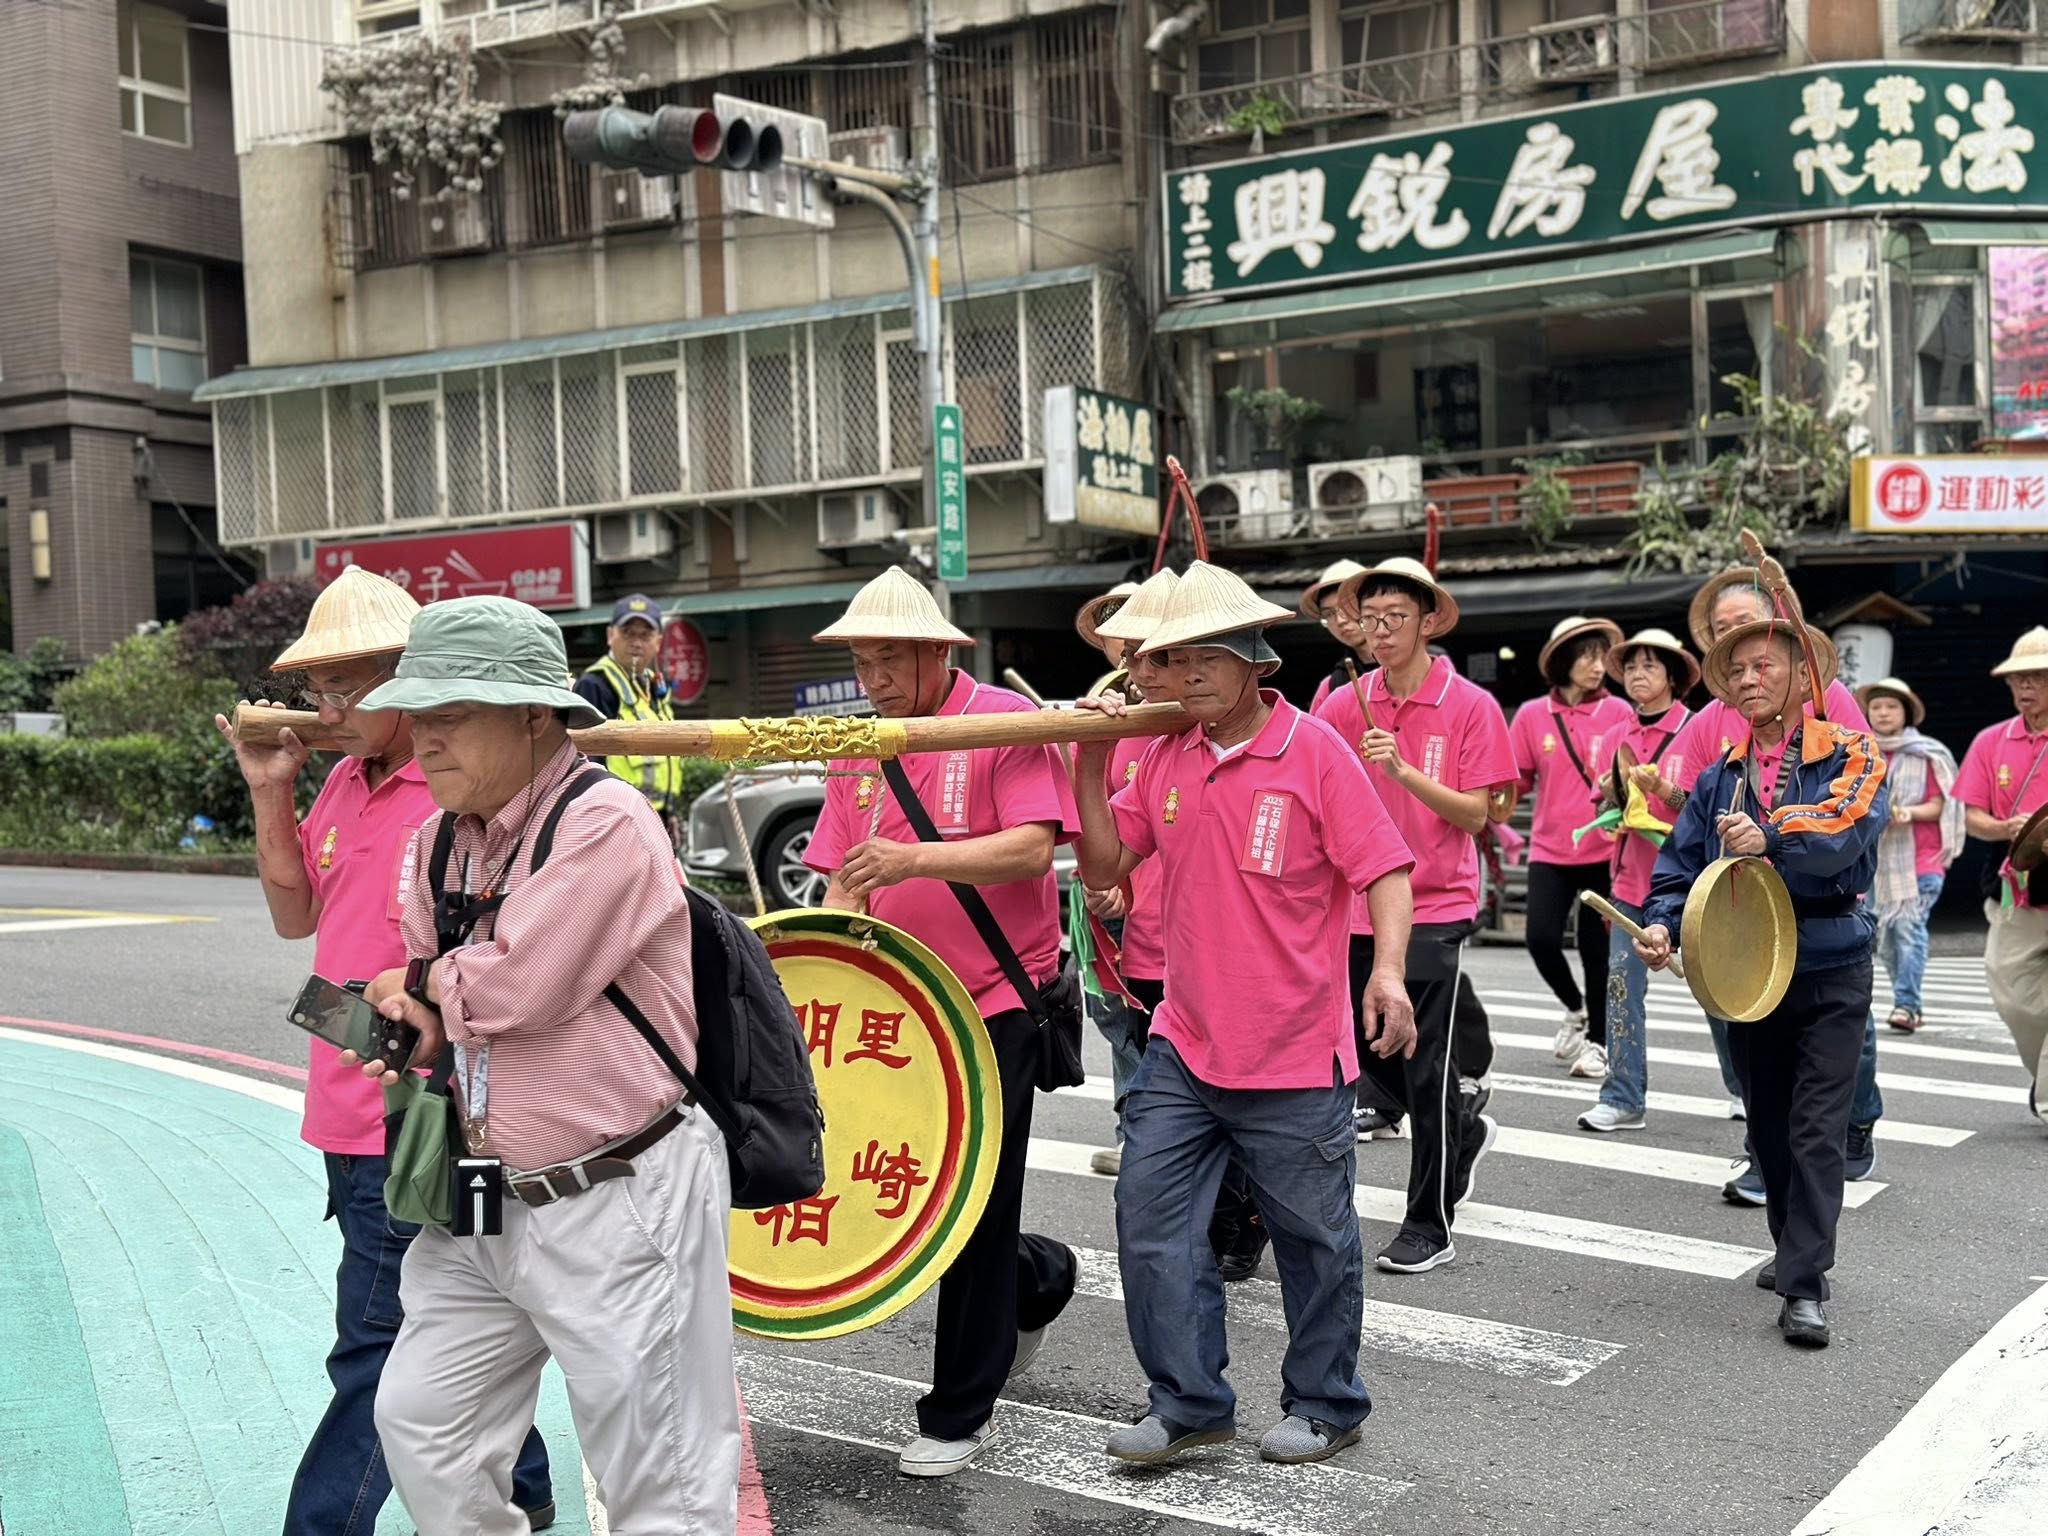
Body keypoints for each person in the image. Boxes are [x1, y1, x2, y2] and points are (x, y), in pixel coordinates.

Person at [350, 597, 738, 1535]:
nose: (424, 739)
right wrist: (421, 1017)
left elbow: (520, 985)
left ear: (534, 715)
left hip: (616, 1191)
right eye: (420, 714)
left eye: (452, 715)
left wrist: (420, 984)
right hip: (480, 1191)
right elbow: (458, 1007)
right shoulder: (436, 842)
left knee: (661, 1479)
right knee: (422, 1426)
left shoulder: (606, 821)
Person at [215, 568, 556, 1536]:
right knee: (462, 1310)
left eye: (352, 684)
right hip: (350, 1099)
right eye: (320, 688)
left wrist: (368, 1021)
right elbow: (296, 917)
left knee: (380, 1337)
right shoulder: (346, 780)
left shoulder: (451, 788)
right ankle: (525, 1493)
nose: (331, 707)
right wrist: (270, 790)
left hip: (419, 1110)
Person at [1071, 561, 1418, 1467]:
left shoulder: (1313, 752)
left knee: (1315, 1243)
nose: (1173, 679)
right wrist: (1091, 759)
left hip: (1296, 1052)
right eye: (1159, 662)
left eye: (1195, 662)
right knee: (1149, 1224)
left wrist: (1386, 973)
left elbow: (1383, 867)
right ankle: (1188, 1401)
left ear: (1249, 660)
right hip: (1184, 1045)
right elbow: (1107, 868)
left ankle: (1327, 1402)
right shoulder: (1163, 755)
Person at [802, 566, 1080, 1478]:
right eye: (862, 659)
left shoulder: (1003, 719)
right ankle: (1042, 1279)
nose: (873, 676)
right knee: (932, 1198)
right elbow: (843, 873)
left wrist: (914, 858)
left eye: (889, 658)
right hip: (901, 1008)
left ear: (934, 652)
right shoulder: (859, 745)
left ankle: (959, 1410)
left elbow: (1033, 850)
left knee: (976, 1206)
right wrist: (828, 950)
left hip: (995, 1004)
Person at [1637, 618, 1886, 1349]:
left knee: (1816, 1129)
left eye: (1765, 666)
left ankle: (1806, 1284)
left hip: (1832, 960)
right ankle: (1791, 1250)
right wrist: (1662, 923)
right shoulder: (1719, 776)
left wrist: (1771, 832)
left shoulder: (1852, 752)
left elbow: (1847, 826)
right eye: (1737, 670)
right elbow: (1679, 869)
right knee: (1769, 1124)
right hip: (1747, 970)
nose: (1749, 679)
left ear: (1807, 679)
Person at [1321, 556, 1515, 1275]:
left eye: (1394, 617)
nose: (1379, 631)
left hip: (1436, 901)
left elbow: (1479, 814)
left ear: (1429, 621)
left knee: (1425, 1062)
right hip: (1357, 904)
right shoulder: (1345, 703)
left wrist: (1403, 769)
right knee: (1370, 1051)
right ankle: (1462, 1129)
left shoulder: (1469, 706)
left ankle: (1428, 1222)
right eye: (1368, 619)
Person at [1080, 572, 1274, 1283]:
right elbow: (1104, 843)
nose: (1149, 670)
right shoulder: (1129, 736)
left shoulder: (1239, 735)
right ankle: (1192, 1226)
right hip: (1140, 948)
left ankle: (1241, 1218)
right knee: (1152, 1098)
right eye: (1140, 655)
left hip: (1224, 960)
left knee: (1239, 1105)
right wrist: (1108, 892)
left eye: (1164, 655)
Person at [1577, 628, 1698, 1134]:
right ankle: (1623, 1096)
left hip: (1693, 884)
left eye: (1650, 666)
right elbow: (1600, 802)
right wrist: (1609, 796)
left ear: (1672, 676)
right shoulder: (1612, 736)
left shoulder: (1698, 729)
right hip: (1629, 880)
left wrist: (1662, 793)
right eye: (1630, 667)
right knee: (1622, 986)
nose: (1638, 675)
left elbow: (1701, 807)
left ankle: (1741, 1088)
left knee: (1715, 992)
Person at [1509, 617, 1633, 1079]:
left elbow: (1633, 776)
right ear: (1563, 661)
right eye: (1588, 656)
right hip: (1549, 848)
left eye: (1603, 657)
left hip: (1604, 849)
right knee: (1540, 939)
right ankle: (1575, 1007)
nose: (1599, 666)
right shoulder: (1531, 715)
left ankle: (1600, 1042)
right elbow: (1515, 781)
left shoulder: (1620, 713)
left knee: (1595, 950)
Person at [1952, 626, 2048, 1122]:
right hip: (2017, 886)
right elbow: (1970, 817)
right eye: (2018, 679)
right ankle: (2043, 1077)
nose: (2025, 687)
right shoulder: (1991, 741)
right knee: (2012, 993)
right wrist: (2004, 827)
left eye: (2037, 676)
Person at [1856, 677, 1962, 1035]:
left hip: (1923, 858)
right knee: (1884, 936)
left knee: (1907, 927)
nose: (1883, 713)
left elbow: (1942, 805)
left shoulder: (1928, 752)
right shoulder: (1859, 751)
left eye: (1891, 707)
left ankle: (1907, 1004)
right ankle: (1906, 1000)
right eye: (1877, 707)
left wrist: (1906, 813)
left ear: (1906, 713)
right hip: (1874, 863)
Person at [571, 593, 687, 839]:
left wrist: (671, 811)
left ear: (658, 642)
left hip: (655, 820)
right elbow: (585, 764)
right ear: (610, 635)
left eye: (645, 635)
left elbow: (666, 761)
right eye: (628, 633)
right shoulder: (596, 685)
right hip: (617, 823)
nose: (636, 642)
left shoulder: (654, 687)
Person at [1300, 557, 1369, 712]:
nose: (1340, 620)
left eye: (1347, 607)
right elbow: (1316, 736)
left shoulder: (1417, 667)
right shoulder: (1332, 686)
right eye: (1329, 613)